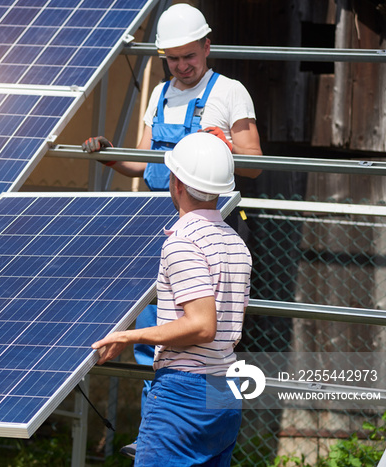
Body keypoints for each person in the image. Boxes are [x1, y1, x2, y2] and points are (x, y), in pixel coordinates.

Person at [82, 3, 261, 458]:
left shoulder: (230, 92)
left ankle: (166, 429)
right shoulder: (160, 92)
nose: (182, 65)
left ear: (206, 45)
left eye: (189, 55)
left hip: (204, 220)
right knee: (157, 323)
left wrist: (219, 145)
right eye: (173, 58)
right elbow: (141, 164)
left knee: (191, 325)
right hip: (159, 223)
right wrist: (106, 153)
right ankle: (153, 426)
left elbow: (255, 161)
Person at [91, 132, 252, 466]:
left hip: (183, 396)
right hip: (226, 391)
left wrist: (130, 335)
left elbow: (202, 325)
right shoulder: (237, 243)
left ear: (176, 182)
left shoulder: (182, 243)